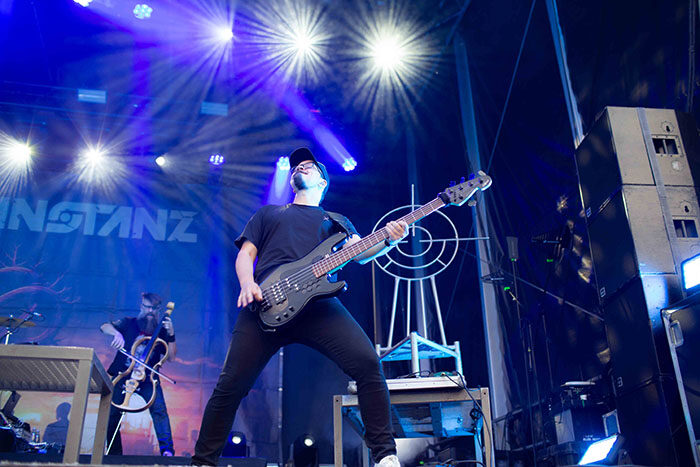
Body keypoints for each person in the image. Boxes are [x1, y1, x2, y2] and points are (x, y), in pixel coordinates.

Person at [192, 147, 407, 467]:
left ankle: (385, 456)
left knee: (367, 364)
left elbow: (360, 252)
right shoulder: (269, 214)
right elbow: (245, 254)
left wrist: (389, 239)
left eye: (308, 165)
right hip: (264, 303)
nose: (299, 168)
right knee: (230, 385)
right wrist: (248, 283)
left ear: (323, 181)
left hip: (317, 305)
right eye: (297, 167)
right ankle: (202, 462)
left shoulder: (336, 221)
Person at [101, 292, 177, 456]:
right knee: (112, 413)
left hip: (148, 378)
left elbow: (171, 357)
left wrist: (171, 334)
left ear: (158, 309)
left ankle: (167, 451)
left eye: (153, 308)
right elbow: (104, 326)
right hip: (123, 374)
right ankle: (114, 454)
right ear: (141, 306)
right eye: (147, 307)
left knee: (159, 411)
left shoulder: (162, 331)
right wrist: (116, 333)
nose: (150, 311)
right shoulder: (128, 323)